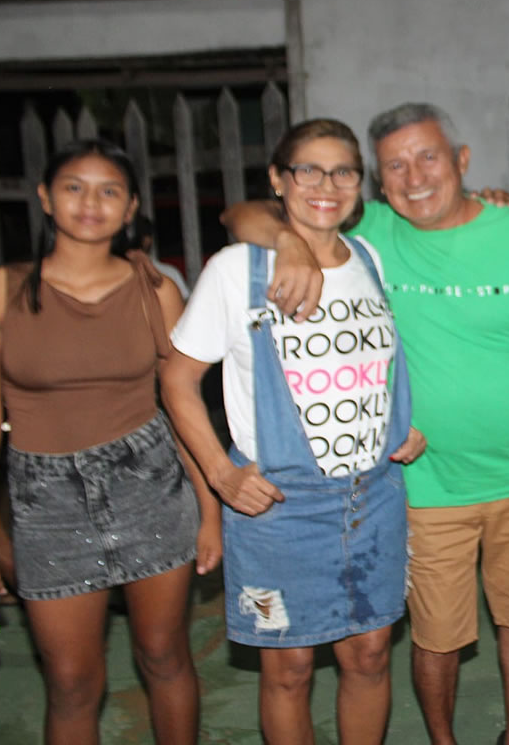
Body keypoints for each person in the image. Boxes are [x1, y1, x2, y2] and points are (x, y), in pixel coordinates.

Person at [221, 103, 509, 745]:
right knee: (437, 634)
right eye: (394, 165)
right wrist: (285, 241)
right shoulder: (368, 234)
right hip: (421, 479)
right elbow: (241, 213)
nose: (414, 177)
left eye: (428, 157)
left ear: (462, 161)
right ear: (377, 179)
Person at [161, 119, 421, 744]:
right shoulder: (237, 270)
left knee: (370, 656)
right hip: (278, 507)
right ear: (278, 180)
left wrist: (399, 425)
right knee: (289, 669)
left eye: (343, 171)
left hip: (373, 497)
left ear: (360, 183)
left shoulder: (368, 258)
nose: (327, 185)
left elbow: (367, 364)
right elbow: (176, 380)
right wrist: (221, 474)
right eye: (308, 170)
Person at [0, 139, 220, 745]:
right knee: (70, 683)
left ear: (131, 206)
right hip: (46, 504)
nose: (91, 202)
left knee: (165, 656)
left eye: (109, 190)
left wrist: (210, 511)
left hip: (151, 488)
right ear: (45, 198)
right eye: (74, 187)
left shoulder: (156, 291)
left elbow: (182, 406)